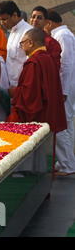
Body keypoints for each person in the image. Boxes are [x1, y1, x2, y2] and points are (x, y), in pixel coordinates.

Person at [8, 29, 67, 154]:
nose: (22, 47)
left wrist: (15, 92)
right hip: (49, 109)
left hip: (38, 112)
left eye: (22, 43)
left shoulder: (34, 62)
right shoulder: (49, 58)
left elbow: (30, 93)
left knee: (32, 145)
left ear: (30, 43)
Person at [44, 10, 75, 176]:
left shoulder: (63, 35)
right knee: (66, 124)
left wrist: (61, 90)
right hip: (66, 88)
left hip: (65, 88)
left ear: (49, 23)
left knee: (62, 125)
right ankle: (67, 162)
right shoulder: (63, 34)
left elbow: (67, 65)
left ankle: (68, 164)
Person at [0, 0, 33, 88]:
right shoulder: (12, 31)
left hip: (22, 86)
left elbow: (31, 65)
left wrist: (21, 89)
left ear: (15, 15)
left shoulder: (28, 32)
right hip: (11, 86)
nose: (2, 23)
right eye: (0, 20)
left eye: (4, 19)